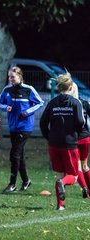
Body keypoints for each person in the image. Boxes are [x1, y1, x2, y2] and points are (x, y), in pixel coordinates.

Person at [40, 71, 84, 210]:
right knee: (73, 176)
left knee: (60, 174)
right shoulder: (75, 102)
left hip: (53, 144)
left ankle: (60, 205)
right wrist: (75, 132)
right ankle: (63, 184)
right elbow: (80, 122)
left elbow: (43, 122)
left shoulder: (53, 102)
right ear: (71, 87)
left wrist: (49, 136)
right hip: (69, 144)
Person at [0, 66, 44, 193]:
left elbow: (40, 102)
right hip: (13, 126)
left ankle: (12, 184)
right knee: (19, 156)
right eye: (9, 77)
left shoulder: (28, 89)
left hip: (25, 127)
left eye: (12, 76)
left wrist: (27, 112)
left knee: (14, 154)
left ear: (20, 76)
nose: (10, 79)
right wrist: (5, 107)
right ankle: (26, 180)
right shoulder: (7, 89)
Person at [68, 83, 90, 198]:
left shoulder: (68, 104)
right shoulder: (84, 103)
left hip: (74, 139)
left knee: (78, 166)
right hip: (86, 137)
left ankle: (85, 189)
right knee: (85, 165)